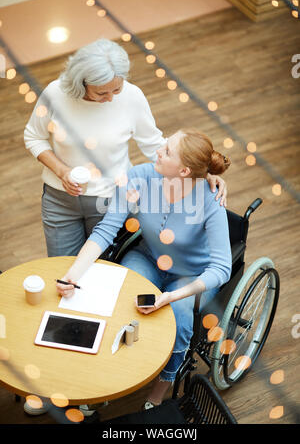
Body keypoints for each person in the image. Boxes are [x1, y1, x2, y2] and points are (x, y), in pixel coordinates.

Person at [56, 128, 232, 412]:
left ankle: (160, 389)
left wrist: (172, 297)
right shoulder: (139, 177)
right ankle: (111, 376)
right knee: (122, 298)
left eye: (166, 151)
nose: (157, 151)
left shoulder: (210, 202)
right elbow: (107, 229)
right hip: (149, 257)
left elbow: (222, 267)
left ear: (184, 170)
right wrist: (72, 275)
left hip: (192, 274)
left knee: (178, 316)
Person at [24, 38, 228, 261]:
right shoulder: (55, 94)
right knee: (61, 270)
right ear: (80, 83)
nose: (111, 98)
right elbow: (34, 137)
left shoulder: (131, 97)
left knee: (104, 270)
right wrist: (62, 171)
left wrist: (201, 172)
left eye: (117, 89)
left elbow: (154, 144)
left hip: (111, 202)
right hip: (59, 201)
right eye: (102, 93)